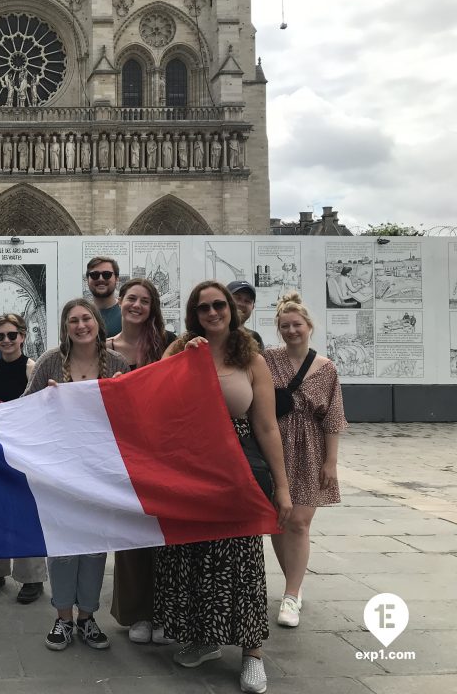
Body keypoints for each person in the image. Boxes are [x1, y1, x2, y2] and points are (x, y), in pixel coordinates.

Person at [156, 281, 292, 694]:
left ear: (232, 310)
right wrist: (185, 359)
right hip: (190, 470)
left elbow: (266, 426)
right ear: (193, 314)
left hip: (237, 471)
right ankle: (205, 637)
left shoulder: (250, 358)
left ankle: (253, 655)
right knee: (193, 554)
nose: (212, 313)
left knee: (242, 559)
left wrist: (283, 488)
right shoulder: (180, 350)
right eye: (203, 308)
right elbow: (151, 398)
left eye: (219, 305)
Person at [25, 298, 131, 652]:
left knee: (95, 546)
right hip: (60, 471)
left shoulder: (116, 363)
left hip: (101, 471)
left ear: (98, 322)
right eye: (73, 320)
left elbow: (134, 416)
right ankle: (62, 617)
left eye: (87, 318)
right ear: (65, 326)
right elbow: (25, 407)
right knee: (62, 547)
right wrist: (47, 402)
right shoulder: (52, 361)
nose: (81, 325)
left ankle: (87, 617)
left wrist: (121, 395)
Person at [263, 292, 347, 629]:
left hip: (310, 448)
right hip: (274, 444)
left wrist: (331, 462)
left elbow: (333, 418)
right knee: (279, 521)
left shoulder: (326, 368)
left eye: (297, 324)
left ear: (309, 326)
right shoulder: (268, 359)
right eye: (285, 326)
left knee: (299, 521)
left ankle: (292, 594)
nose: (291, 330)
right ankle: (292, 586)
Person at [104, 279, 177, 644]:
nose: (136, 305)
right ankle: (138, 614)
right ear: (120, 302)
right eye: (131, 298)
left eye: (144, 301)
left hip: (162, 451)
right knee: (131, 535)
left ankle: (165, 610)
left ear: (153, 307)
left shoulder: (168, 344)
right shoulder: (104, 349)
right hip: (121, 452)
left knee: (165, 535)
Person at [0, 312, 45, 604]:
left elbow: (38, 410)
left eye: (11, 335)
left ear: (22, 337)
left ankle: (32, 577)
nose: (6, 341)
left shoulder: (32, 368)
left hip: (26, 452)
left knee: (27, 515)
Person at [86, 256, 121, 337]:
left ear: (117, 279)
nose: (101, 279)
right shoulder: (81, 315)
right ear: (87, 280)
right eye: (94, 275)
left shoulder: (126, 313)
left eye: (107, 274)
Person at [228, 279, 264, 350]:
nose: (241, 304)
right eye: (236, 298)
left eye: (247, 301)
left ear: (253, 307)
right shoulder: (212, 334)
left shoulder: (255, 337)